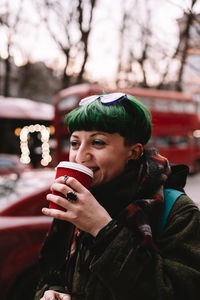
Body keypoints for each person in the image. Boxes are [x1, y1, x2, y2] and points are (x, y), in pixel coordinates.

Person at [34, 93, 200, 300]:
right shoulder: (75, 200)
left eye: (98, 142)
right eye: (75, 143)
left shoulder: (178, 212)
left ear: (134, 152)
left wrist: (103, 230)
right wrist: (52, 292)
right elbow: (52, 275)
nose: (80, 155)